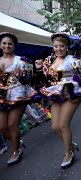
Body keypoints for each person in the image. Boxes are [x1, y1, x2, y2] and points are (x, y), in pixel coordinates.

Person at [40, 33, 81, 169]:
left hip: (71, 94)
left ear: (67, 47)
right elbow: (47, 79)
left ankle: (68, 153)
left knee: (64, 125)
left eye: (61, 46)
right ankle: (70, 144)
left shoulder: (73, 60)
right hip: (56, 94)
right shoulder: (49, 61)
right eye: (56, 46)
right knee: (55, 127)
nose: (58, 49)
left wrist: (70, 84)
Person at [0, 32, 36, 165]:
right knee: (2, 127)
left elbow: (29, 79)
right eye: (4, 43)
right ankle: (18, 141)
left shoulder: (21, 61)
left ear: (14, 46)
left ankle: (16, 151)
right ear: (0, 45)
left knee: (12, 124)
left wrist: (20, 76)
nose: (7, 46)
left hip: (18, 94)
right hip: (2, 96)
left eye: (10, 43)